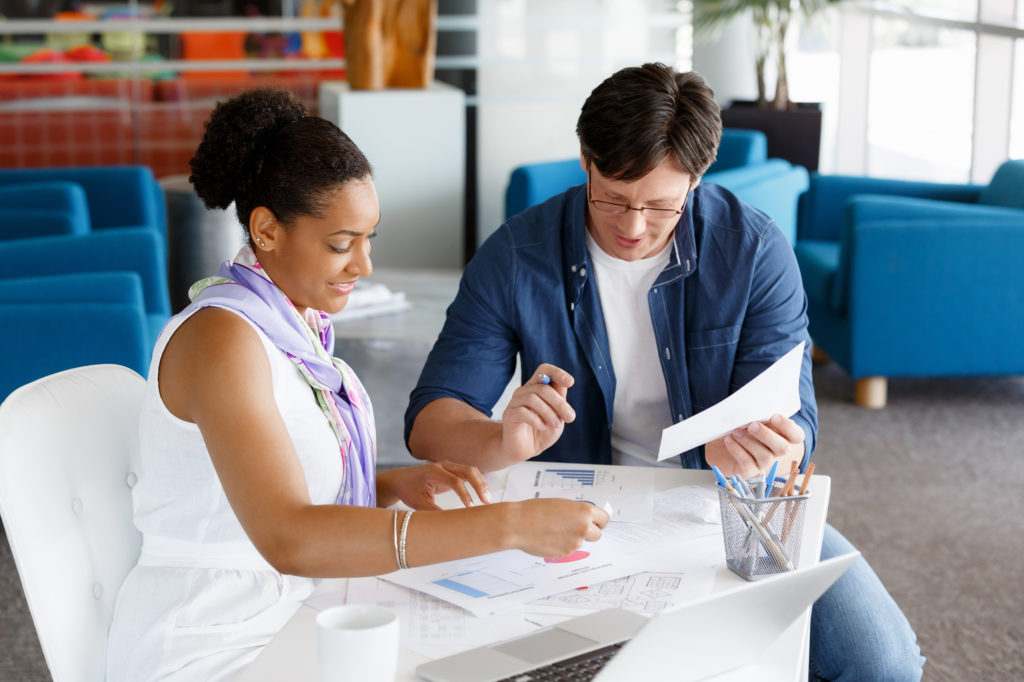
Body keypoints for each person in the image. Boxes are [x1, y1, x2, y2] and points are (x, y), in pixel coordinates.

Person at [405, 64, 925, 680]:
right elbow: (431, 419)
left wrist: (770, 455)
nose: (630, 227)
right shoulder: (518, 254)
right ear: (585, 160)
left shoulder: (754, 250)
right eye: (613, 199)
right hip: (576, 512)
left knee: (882, 663)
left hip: (726, 505)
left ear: (696, 180)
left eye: (659, 207)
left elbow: (798, 425)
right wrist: (501, 440)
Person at [105, 88, 608, 681]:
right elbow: (289, 536)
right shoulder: (224, 339)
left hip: (295, 613)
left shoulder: (289, 328)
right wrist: (511, 527)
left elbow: (271, 485)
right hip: (217, 641)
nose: (363, 265)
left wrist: (390, 482)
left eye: (369, 238)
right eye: (342, 244)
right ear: (265, 230)